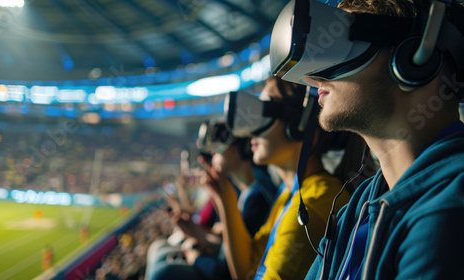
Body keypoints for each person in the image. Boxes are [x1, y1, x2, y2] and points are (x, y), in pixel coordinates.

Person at [269, 0, 464, 279]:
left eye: (339, 49)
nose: (311, 78)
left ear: (417, 56)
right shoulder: (360, 204)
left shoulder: (450, 205)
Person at [199, 77, 354, 280]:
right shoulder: (288, 193)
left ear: (300, 123)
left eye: (265, 110)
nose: (250, 129)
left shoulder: (314, 203)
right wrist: (226, 199)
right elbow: (248, 269)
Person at [146, 120, 278, 280]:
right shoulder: (247, 194)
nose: (212, 151)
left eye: (219, 143)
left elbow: (230, 272)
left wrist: (196, 256)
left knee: (161, 272)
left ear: (240, 148)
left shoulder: (256, 200)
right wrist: (199, 237)